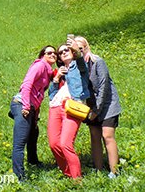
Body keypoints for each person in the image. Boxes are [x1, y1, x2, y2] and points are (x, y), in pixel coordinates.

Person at [75, 35, 121, 177]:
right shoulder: (76, 67)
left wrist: (97, 110)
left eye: (80, 48)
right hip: (91, 105)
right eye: (76, 49)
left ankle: (115, 172)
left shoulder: (98, 62)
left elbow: (104, 87)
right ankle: (98, 170)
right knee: (95, 136)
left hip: (107, 104)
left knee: (107, 136)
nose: (79, 51)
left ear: (86, 47)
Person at [10, 45, 57, 181]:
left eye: (54, 53)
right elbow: (27, 85)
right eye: (49, 52)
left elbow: (39, 95)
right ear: (43, 55)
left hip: (31, 108)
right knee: (20, 142)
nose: (52, 55)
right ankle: (19, 176)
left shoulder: (48, 70)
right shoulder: (40, 65)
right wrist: (25, 106)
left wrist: (35, 117)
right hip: (21, 105)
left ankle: (33, 162)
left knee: (33, 134)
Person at [47, 40, 90, 179]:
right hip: (55, 107)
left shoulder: (79, 67)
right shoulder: (60, 72)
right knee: (54, 144)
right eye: (61, 52)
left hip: (72, 106)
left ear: (72, 52)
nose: (63, 52)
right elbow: (51, 96)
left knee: (65, 143)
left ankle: (77, 179)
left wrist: (76, 50)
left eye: (66, 50)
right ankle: (68, 172)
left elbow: (82, 63)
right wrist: (57, 77)